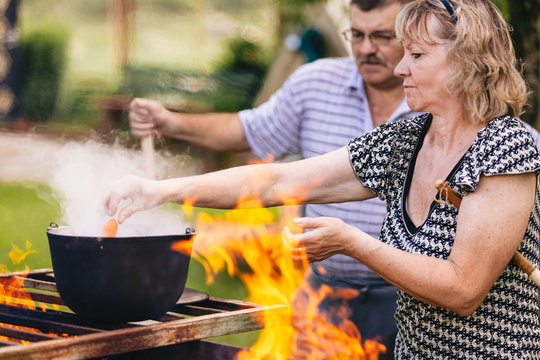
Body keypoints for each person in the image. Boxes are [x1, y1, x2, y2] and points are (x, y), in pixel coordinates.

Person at [106, 0, 540, 358]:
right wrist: (158, 190)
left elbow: (463, 288)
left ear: (468, 60)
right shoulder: (407, 139)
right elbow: (277, 182)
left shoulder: (508, 147)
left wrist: (354, 242)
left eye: (417, 55)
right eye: (403, 52)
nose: (400, 68)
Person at [129, 1, 419, 357]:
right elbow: (250, 138)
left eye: (382, 37)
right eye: (357, 35)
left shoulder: (433, 97)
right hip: (325, 292)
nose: (365, 49)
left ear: (410, 36)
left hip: (410, 299)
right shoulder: (315, 83)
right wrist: (170, 122)